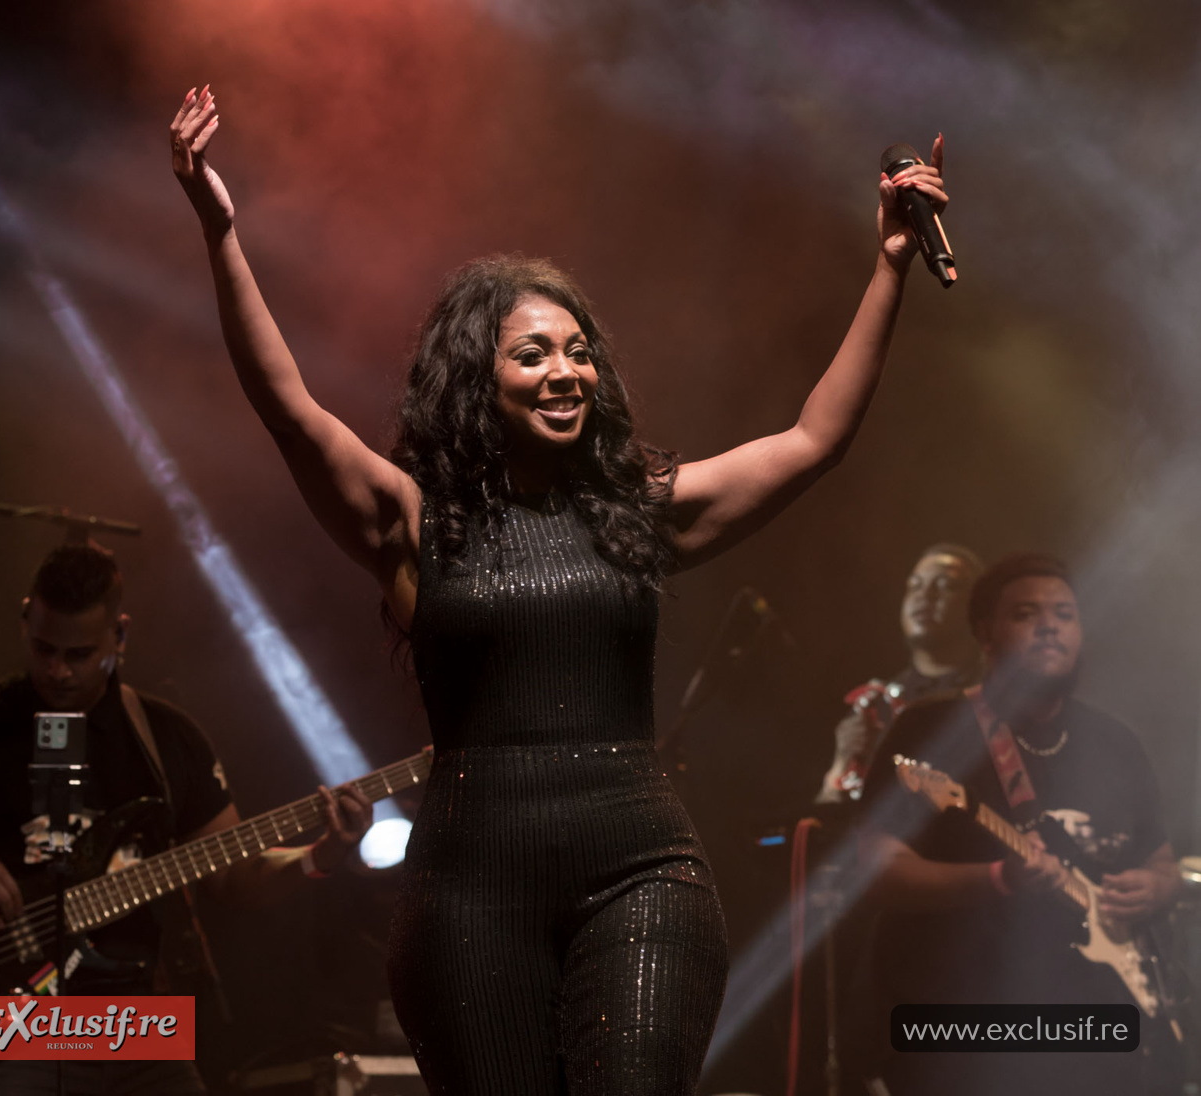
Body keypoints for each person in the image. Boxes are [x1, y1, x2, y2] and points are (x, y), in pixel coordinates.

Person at [169, 84, 949, 1094]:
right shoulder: (412, 522)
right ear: (475, 379)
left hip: (642, 875)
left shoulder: (639, 509)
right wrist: (221, 231)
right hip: (467, 896)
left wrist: (886, 267)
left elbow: (812, 441)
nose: (565, 372)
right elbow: (287, 409)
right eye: (532, 354)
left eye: (579, 353)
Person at [0, 544, 373, 1095]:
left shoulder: (167, 737)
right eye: (43, 647)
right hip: (3, 1018)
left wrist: (321, 855)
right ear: (26, 615)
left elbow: (234, 877)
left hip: (135, 1021)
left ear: (119, 636)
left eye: (79, 654)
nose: (57, 670)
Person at [860, 552, 1181, 1096]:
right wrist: (998, 879)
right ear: (986, 634)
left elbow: (1163, 863)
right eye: (1026, 614)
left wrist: (1156, 887)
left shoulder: (1116, 742)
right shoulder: (932, 729)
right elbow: (875, 870)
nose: (1050, 625)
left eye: (1064, 613)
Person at [817, 543, 983, 803]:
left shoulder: (998, 692)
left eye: (945, 586)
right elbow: (829, 815)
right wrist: (842, 765)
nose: (924, 596)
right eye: (914, 586)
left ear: (977, 605)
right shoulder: (877, 705)